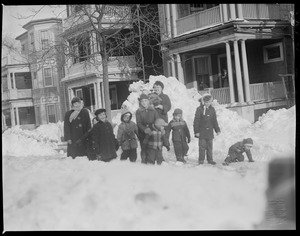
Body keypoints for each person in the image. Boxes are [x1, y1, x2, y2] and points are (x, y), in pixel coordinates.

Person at [193, 93, 220, 165]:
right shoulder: (199, 109)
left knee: (209, 147)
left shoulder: (212, 109)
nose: (207, 103)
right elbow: (196, 121)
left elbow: (214, 120)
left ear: (211, 102)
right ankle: (201, 160)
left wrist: (217, 129)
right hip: (202, 132)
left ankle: (210, 159)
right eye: (206, 102)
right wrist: (196, 131)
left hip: (210, 132)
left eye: (209, 102)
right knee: (202, 147)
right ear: (203, 102)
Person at [136, 93, 160, 164]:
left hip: (152, 132)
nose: (144, 103)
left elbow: (157, 120)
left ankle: (151, 163)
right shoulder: (139, 111)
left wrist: (156, 128)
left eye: (145, 101)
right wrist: (144, 129)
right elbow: (139, 123)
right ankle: (144, 163)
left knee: (151, 149)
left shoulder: (153, 110)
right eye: (142, 101)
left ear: (148, 101)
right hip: (143, 133)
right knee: (144, 148)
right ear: (140, 102)